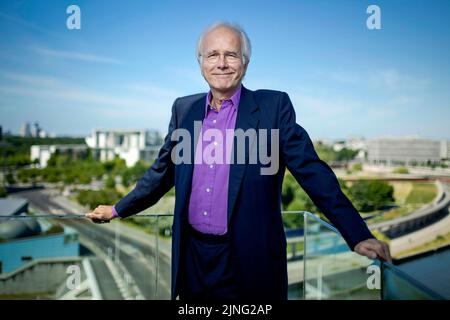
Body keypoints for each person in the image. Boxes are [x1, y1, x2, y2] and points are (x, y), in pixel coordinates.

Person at [86, 22, 391, 301]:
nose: (221, 63)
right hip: (193, 259)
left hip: (249, 259)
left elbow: (312, 173)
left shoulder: (274, 107)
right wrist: (117, 209)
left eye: (231, 54)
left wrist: (357, 234)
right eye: (212, 55)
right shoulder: (184, 109)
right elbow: (161, 173)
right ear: (200, 62)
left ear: (245, 61)